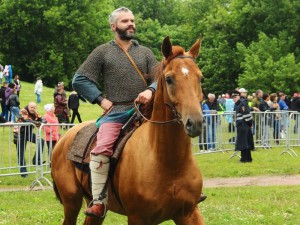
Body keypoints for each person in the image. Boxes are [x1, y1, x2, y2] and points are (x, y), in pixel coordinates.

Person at [72, 7, 158, 218]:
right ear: (113, 26)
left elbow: (160, 77)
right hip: (118, 111)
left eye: (132, 20)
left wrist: (150, 89)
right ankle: (100, 201)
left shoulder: (145, 52)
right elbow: (79, 79)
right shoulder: (103, 51)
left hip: (146, 110)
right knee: (102, 149)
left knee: (174, 136)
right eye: (125, 21)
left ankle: (185, 188)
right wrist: (100, 99)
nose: (131, 24)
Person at [14, 102, 46, 177]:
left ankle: (36, 160)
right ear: (28, 106)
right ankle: (23, 173)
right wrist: (38, 123)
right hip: (20, 134)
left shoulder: (35, 112)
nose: (33, 109)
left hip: (28, 133)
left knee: (41, 141)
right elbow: (27, 120)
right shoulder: (23, 111)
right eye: (31, 107)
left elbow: (43, 120)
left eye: (34, 107)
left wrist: (39, 121)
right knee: (21, 154)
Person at [232, 91, 254, 162]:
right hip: (241, 126)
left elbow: (247, 115)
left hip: (244, 125)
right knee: (244, 143)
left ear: (239, 96)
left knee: (244, 143)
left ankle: (244, 159)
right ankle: (247, 158)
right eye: (233, 98)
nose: (234, 99)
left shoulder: (242, 104)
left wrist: (250, 124)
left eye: (235, 97)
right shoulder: (238, 104)